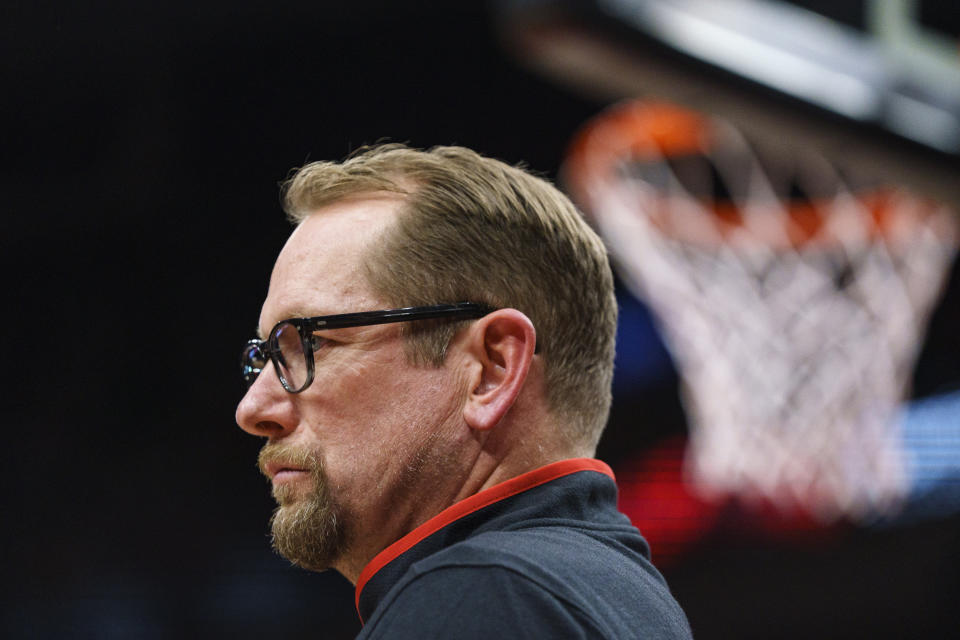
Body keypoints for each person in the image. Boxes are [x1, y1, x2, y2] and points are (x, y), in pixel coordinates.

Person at [235, 143, 692, 639]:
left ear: (492, 369)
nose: (253, 407)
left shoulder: (478, 599)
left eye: (312, 342)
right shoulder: (615, 591)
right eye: (266, 356)